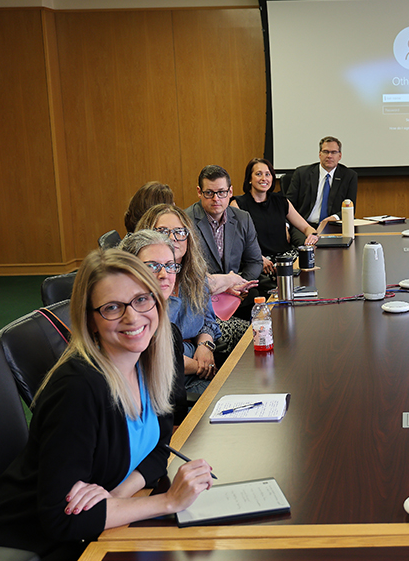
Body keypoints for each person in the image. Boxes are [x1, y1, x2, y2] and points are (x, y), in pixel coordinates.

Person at [0, 248, 214, 561]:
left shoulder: (151, 361)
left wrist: (115, 497)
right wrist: (167, 502)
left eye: (141, 299)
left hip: (90, 538)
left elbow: (159, 447)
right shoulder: (79, 390)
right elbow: (63, 519)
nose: (133, 317)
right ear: (91, 321)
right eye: (112, 308)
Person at [137, 204, 222, 395]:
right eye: (163, 231)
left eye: (179, 232)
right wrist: (200, 366)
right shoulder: (141, 287)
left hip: (197, 365)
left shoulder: (194, 274)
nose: (173, 238)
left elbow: (208, 320)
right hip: (165, 382)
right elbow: (153, 355)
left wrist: (205, 345)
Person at [118, 229, 189, 421]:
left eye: (169, 265)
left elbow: (176, 409)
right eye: (152, 266)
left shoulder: (169, 333)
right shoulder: (121, 336)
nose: (164, 274)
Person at [186, 164, 262, 315]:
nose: (216, 199)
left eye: (221, 192)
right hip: (203, 299)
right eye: (209, 193)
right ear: (199, 192)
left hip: (238, 294)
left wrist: (239, 284)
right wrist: (223, 285)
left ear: (230, 192)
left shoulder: (243, 218)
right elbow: (186, 272)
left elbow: (254, 261)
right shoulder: (186, 221)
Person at [232, 157, 320, 277]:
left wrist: (312, 237)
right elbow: (235, 242)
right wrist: (257, 258)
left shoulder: (281, 201)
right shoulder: (237, 204)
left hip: (284, 258)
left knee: (312, 272)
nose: (264, 178)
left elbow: (306, 228)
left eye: (267, 174)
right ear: (249, 179)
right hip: (258, 260)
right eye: (258, 174)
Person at [285, 136, 357, 246]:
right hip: (304, 225)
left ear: (340, 156)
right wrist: (285, 226)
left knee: (344, 247)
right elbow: (287, 205)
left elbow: (350, 206)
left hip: (332, 225)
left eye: (333, 152)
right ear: (320, 154)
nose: (329, 156)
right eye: (326, 152)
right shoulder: (302, 173)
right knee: (309, 247)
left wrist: (331, 219)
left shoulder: (349, 176)